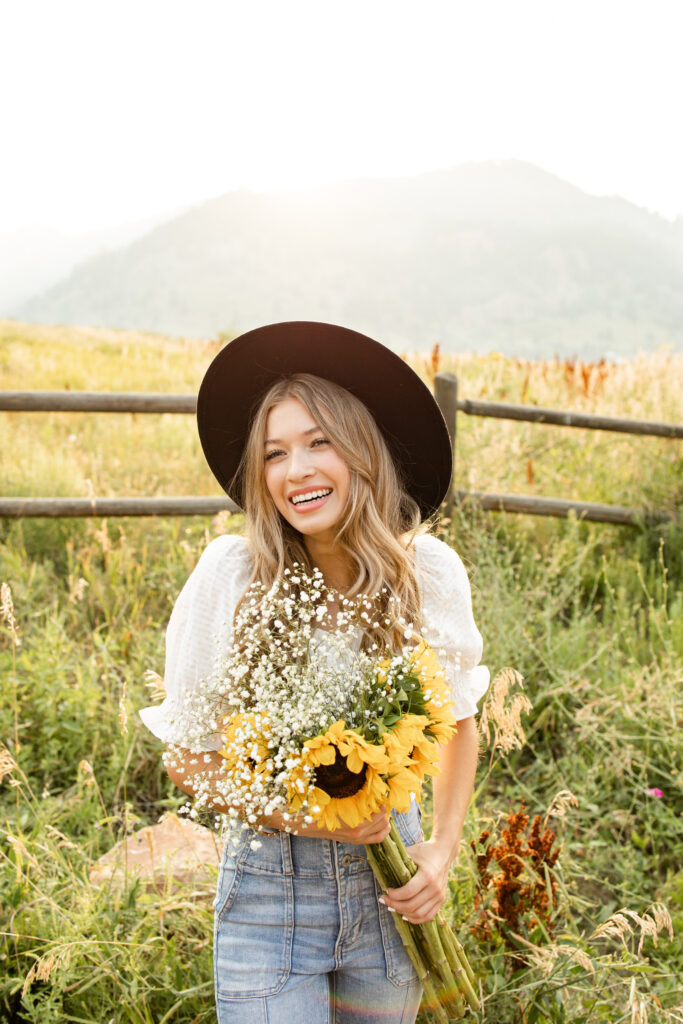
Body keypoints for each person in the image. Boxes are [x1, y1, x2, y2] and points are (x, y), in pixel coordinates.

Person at [140, 322, 489, 1024]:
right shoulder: (231, 575)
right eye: (274, 454)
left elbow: (457, 719)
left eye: (318, 442)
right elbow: (187, 758)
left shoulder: (428, 572)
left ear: (365, 451)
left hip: (390, 893)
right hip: (269, 903)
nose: (295, 470)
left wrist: (441, 851)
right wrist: (302, 814)